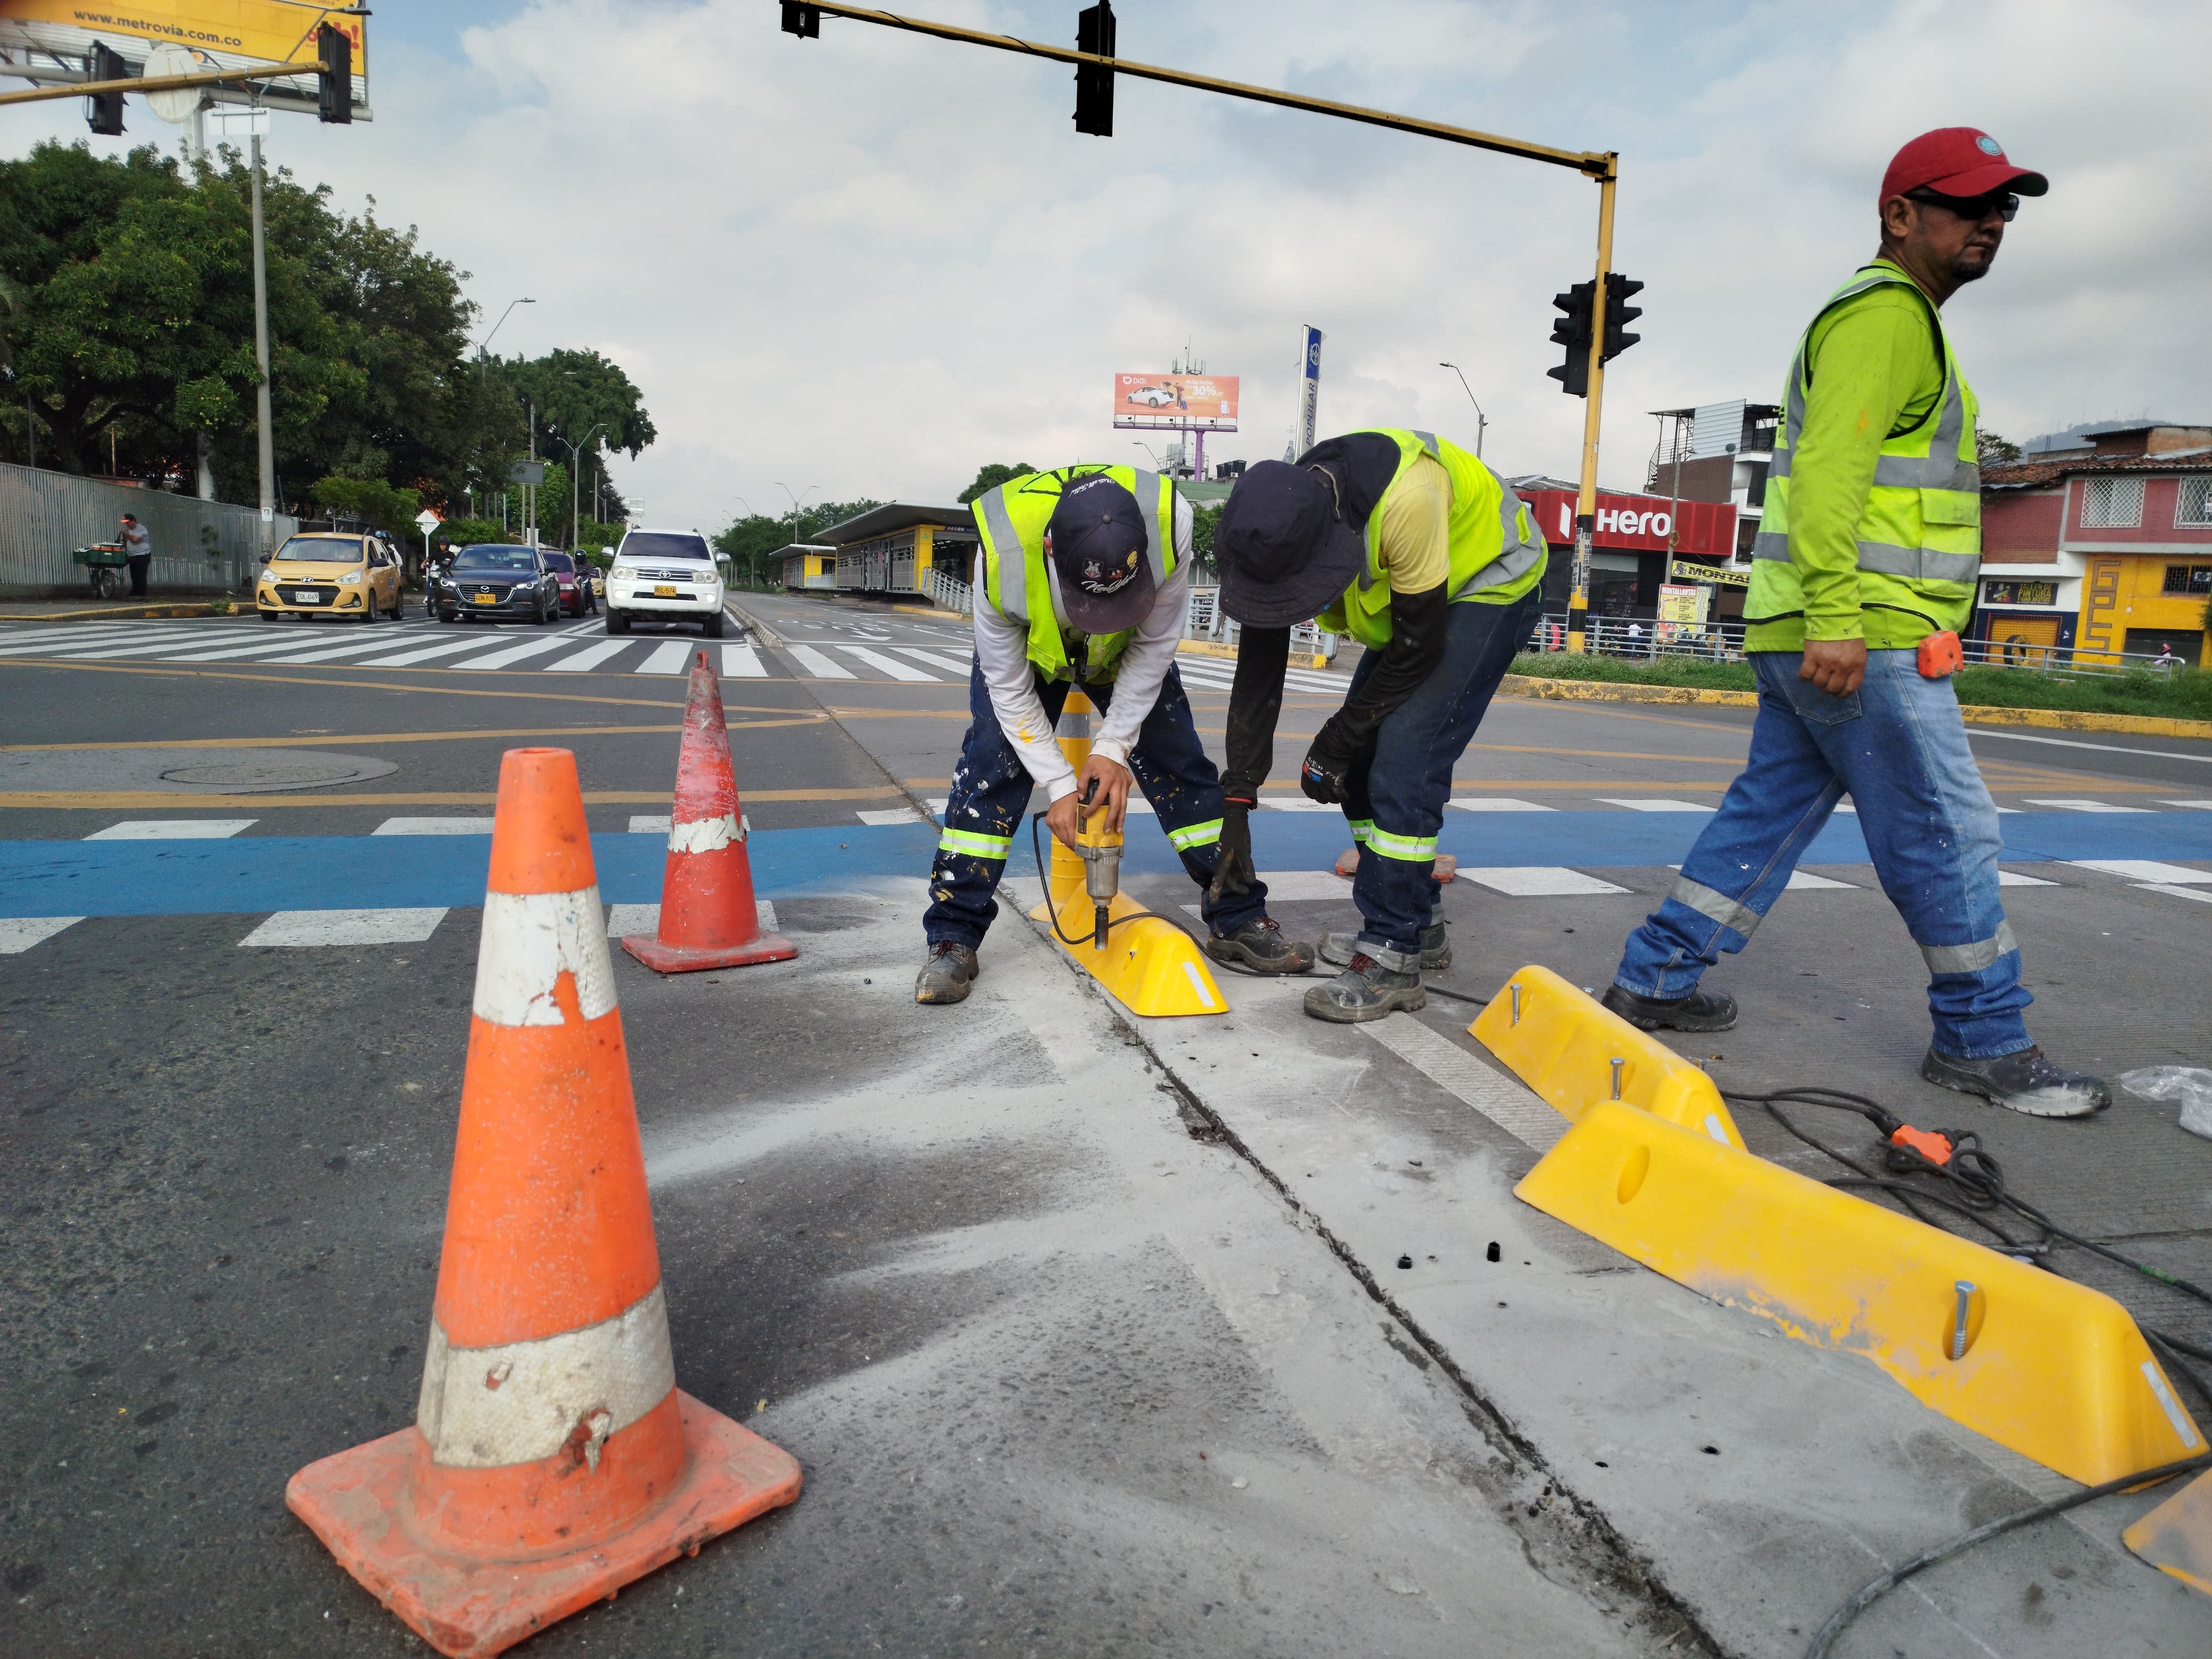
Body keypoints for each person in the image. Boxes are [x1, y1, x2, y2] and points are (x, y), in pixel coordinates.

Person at [1602, 127, 2109, 1118]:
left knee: (1768, 812)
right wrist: (1840, 615)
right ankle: (1983, 1038)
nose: (1992, 224)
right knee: (1945, 830)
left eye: (2003, 209)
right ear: (1900, 214)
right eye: (1968, 205)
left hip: (1813, 630)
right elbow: (1835, 475)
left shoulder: (1888, 320)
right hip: (1861, 632)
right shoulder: (1888, 318)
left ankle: (1653, 980)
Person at [916, 465, 1314, 1004]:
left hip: (1131, 652)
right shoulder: (1001, 558)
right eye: (1090, 604)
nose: (1100, 621)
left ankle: (1238, 916)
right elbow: (1008, 690)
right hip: (1033, 654)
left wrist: (1112, 748)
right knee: (989, 769)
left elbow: (1153, 648)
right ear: (1051, 550)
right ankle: (952, 936)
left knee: (1180, 766)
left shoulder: (1170, 528)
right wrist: (1059, 786)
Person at [1208, 429, 1548, 1022]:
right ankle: (1421, 926)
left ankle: (1393, 954)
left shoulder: (1405, 500)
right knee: (1359, 769)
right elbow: (1258, 671)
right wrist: (1238, 797)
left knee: (1403, 760)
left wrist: (1337, 735)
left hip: (1485, 581)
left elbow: (1417, 649)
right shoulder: (1271, 524)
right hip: (1412, 602)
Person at [119, 513, 150, 597]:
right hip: (133, 556)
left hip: (142, 555)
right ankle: (135, 592)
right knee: (134, 575)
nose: (127, 524)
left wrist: (127, 535)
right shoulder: (130, 531)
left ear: (133, 521)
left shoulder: (141, 528)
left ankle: (143, 593)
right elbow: (128, 542)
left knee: (141, 574)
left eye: (128, 522)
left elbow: (135, 540)